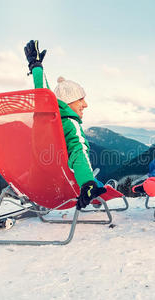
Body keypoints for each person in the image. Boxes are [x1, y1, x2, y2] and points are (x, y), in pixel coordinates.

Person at [24, 40, 106, 209]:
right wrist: (88, 183)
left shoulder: (43, 117)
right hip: (62, 187)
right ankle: (97, 185)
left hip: (34, 184)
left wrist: (36, 65)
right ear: (67, 103)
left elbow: (41, 90)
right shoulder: (70, 123)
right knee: (100, 183)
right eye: (81, 99)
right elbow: (79, 152)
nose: (86, 104)